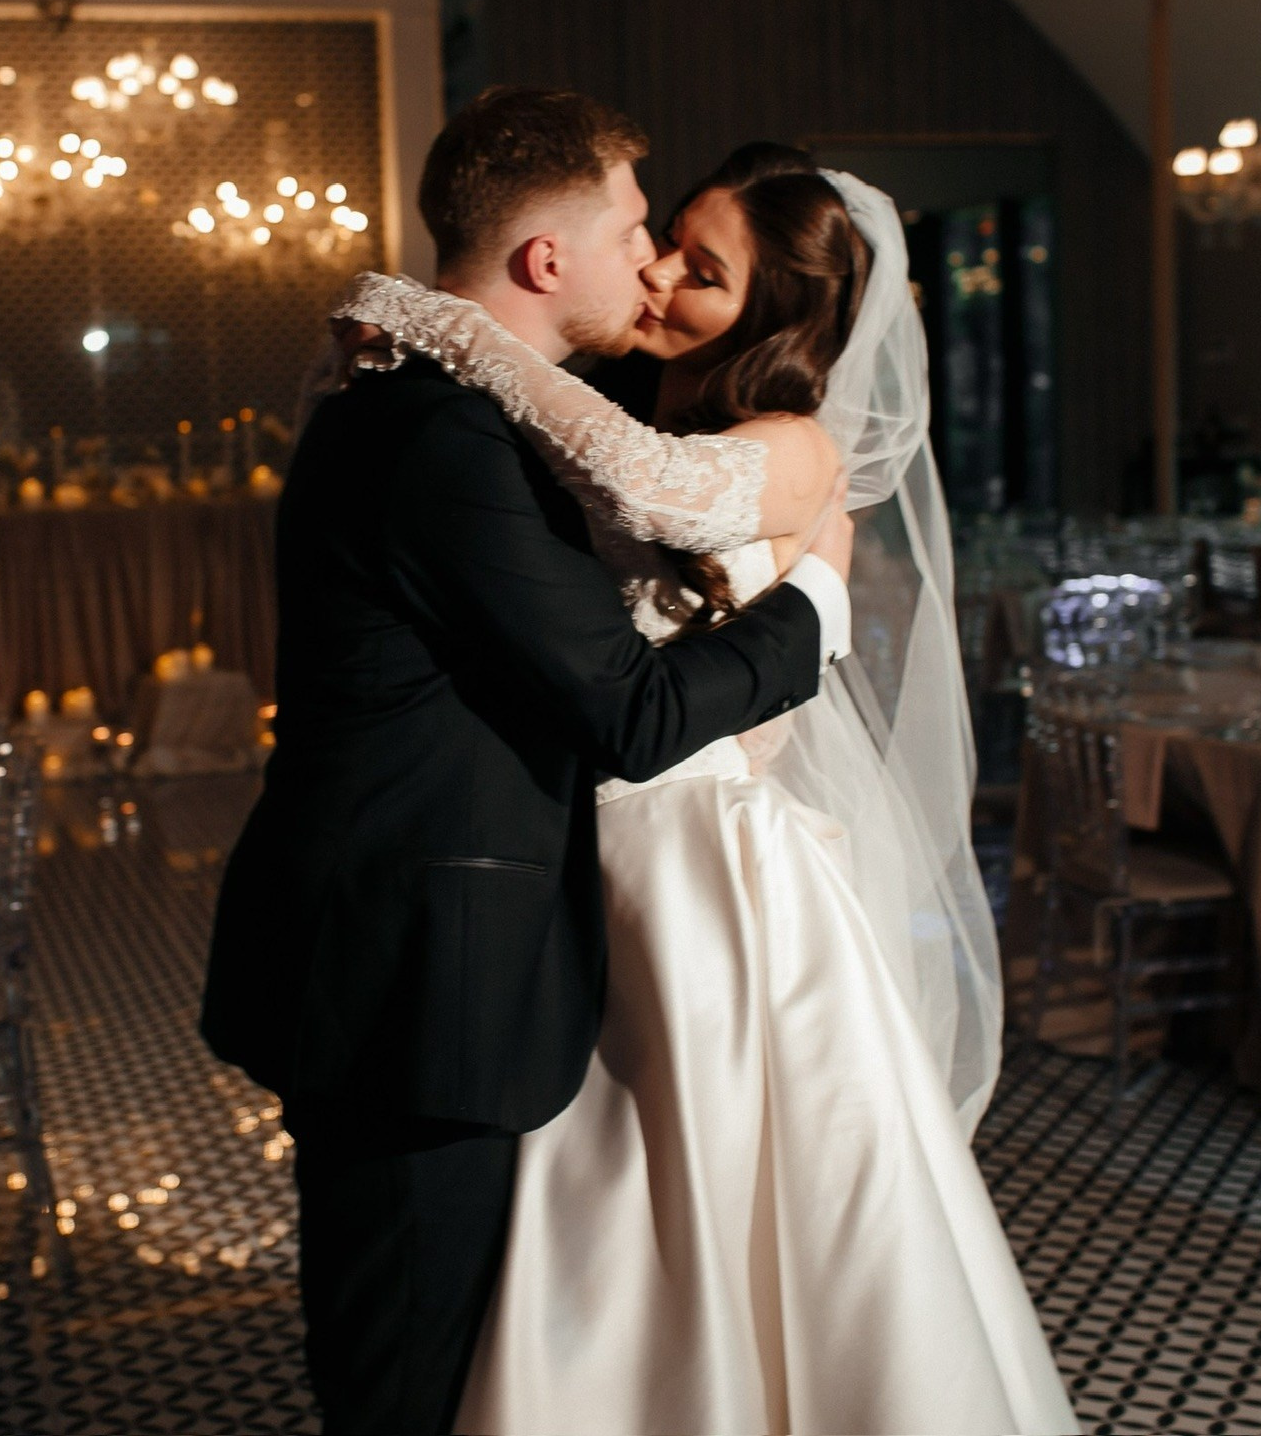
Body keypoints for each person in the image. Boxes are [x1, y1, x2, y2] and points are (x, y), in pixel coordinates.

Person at [331, 140, 1076, 1433]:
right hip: (588, 854)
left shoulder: (790, 447)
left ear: (770, 319)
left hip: (701, 865)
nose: (663, 274)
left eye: (705, 270)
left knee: (727, 1195)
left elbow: (649, 488)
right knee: (606, 1214)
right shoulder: (632, 406)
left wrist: (439, 320)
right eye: (668, 240)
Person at [201, 90, 857, 1435]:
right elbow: (628, 710)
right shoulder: (434, 429)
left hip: (474, 948)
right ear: (548, 259)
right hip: (410, 977)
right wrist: (821, 607)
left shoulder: (471, 407)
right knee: (404, 1371)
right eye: (633, 231)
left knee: (484, 1349)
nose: (650, 264)